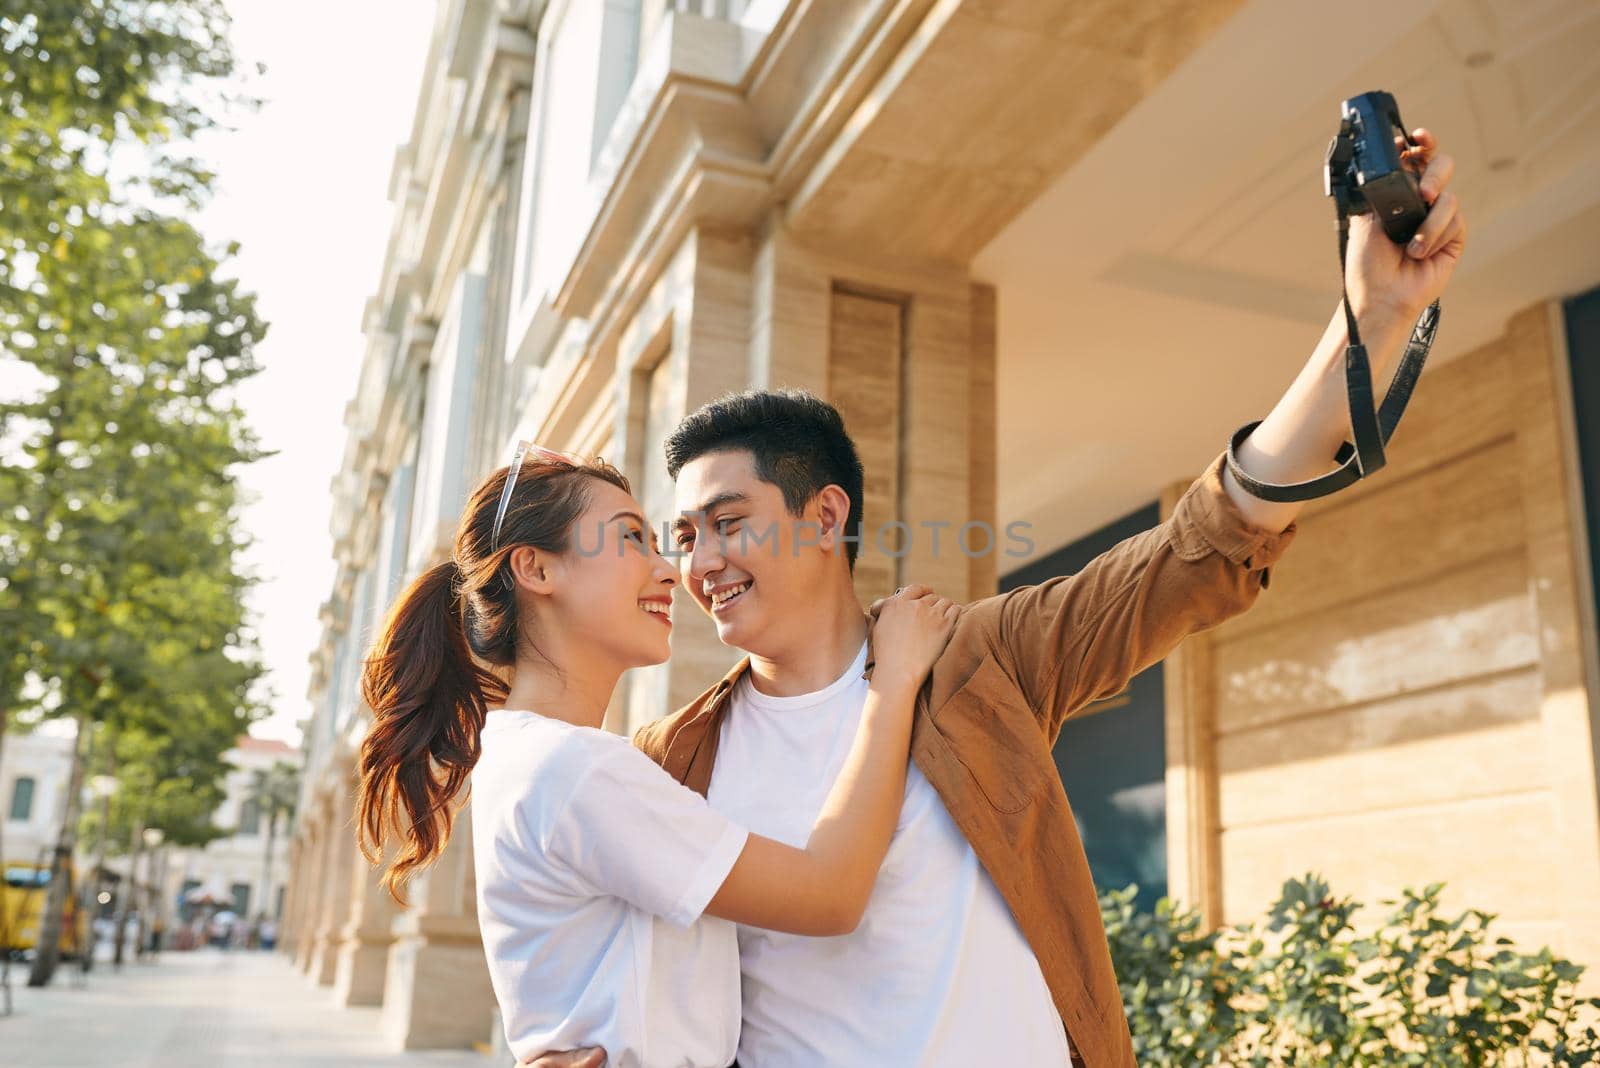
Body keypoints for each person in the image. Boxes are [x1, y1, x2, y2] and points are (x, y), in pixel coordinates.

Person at [529, 130, 1465, 1067]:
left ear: (824, 516)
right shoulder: (670, 761)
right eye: (683, 537)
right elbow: (599, 967)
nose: (699, 564)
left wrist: (1371, 317)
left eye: (727, 523)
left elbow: (1201, 546)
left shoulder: (981, 659)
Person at [354, 446, 960, 1066]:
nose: (671, 571)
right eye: (630, 541)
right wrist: (895, 678)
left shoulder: (532, 757)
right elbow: (829, 895)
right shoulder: (576, 769)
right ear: (536, 569)